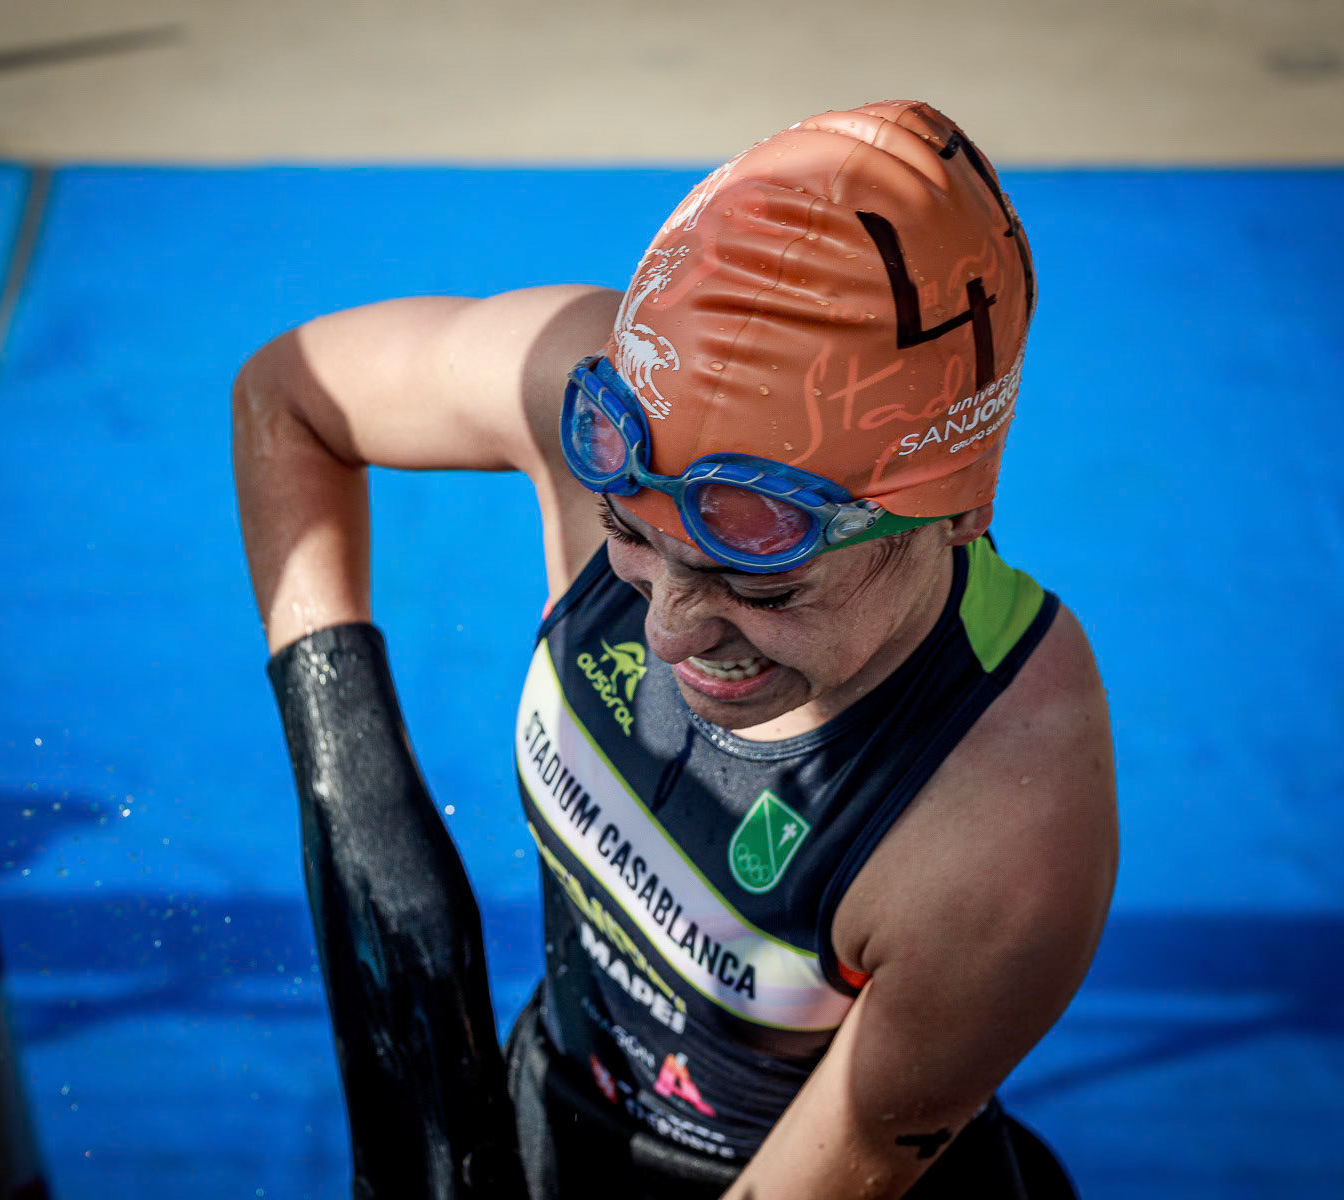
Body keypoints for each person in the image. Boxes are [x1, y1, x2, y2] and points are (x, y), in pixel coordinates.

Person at [234, 100, 1118, 1200]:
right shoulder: (581, 374)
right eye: (628, 538)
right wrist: (353, 786)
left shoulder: (1003, 823)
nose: (668, 630)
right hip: (546, 1115)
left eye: (762, 580)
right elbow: (288, 399)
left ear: (945, 513)